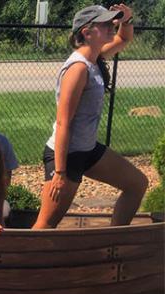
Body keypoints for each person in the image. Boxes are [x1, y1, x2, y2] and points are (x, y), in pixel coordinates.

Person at [33, 4, 148, 229]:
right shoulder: (78, 68)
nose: (110, 27)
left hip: (88, 150)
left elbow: (124, 39)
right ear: (87, 32)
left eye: (111, 22)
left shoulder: (95, 57)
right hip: (66, 157)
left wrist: (127, 18)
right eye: (104, 24)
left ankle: (113, 242)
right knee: (46, 224)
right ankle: (19, 262)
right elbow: (63, 121)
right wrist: (60, 172)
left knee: (137, 184)